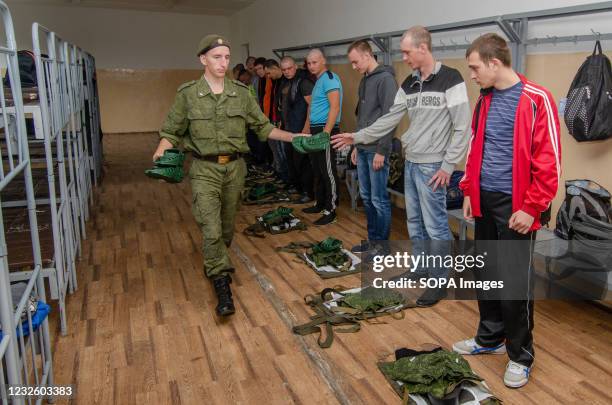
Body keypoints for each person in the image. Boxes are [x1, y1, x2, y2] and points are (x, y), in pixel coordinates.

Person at [152, 35, 306, 318]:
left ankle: (215, 258)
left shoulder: (241, 92)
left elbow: (263, 128)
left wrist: (294, 137)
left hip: (235, 169)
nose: (223, 62)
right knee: (209, 225)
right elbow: (171, 129)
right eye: (216, 57)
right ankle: (221, 281)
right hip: (204, 169)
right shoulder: (187, 93)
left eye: (226, 57)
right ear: (203, 59)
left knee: (225, 228)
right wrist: (163, 147)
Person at [331, 26, 470, 306]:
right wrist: (357, 137)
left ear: (423, 48)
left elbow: (463, 127)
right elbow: (389, 119)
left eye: (407, 51)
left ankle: (440, 281)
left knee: (436, 226)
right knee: (415, 222)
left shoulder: (450, 79)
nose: (403, 57)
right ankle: (420, 269)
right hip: (412, 161)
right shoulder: (409, 83)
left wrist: (447, 166)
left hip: (434, 166)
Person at [452, 33, 561, 389]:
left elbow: (550, 162)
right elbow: (474, 145)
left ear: (494, 63)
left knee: (514, 282)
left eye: (474, 68)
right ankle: (490, 339)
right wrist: (469, 189)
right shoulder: (484, 99)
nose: (472, 75)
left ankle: (520, 355)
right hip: (483, 198)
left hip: (519, 205)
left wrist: (532, 208)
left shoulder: (536, 98)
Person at [346, 39, 397, 253]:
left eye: (356, 62)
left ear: (367, 56)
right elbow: (362, 118)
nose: (354, 67)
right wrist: (356, 144)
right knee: (366, 197)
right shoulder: (365, 80)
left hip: (377, 150)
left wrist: (382, 151)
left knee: (379, 199)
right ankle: (373, 240)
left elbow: (390, 117)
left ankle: (382, 246)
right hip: (364, 148)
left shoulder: (386, 80)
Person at [303, 48, 343, 226]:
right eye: (309, 63)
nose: (311, 66)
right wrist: (307, 130)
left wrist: (326, 133)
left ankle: (331, 209)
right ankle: (320, 203)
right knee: (318, 170)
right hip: (316, 129)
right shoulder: (318, 81)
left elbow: (334, 107)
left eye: (315, 62)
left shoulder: (329, 79)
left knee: (328, 171)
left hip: (326, 131)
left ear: (323, 61)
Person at [280, 56, 315, 203]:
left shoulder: (304, 82)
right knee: (292, 161)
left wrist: (306, 129)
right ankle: (298, 187)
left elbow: (312, 106)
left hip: (301, 130)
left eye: (289, 68)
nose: (287, 72)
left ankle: (308, 192)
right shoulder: (287, 82)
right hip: (289, 129)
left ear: (295, 66)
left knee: (303, 163)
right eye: (284, 70)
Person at [264, 59, 289, 183]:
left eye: (269, 73)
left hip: (284, 123)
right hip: (276, 120)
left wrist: (281, 120)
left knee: (283, 151)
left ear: (274, 68)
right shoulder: (277, 82)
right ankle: (281, 176)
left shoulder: (286, 81)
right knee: (277, 150)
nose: (268, 76)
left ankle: (286, 178)